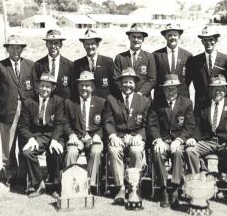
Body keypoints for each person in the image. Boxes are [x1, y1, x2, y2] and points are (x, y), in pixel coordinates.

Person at [185, 74, 227, 208]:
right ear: (210, 90)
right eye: (214, 88)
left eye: (221, 88)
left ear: (226, 90)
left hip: (225, 143)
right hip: (207, 141)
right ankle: (196, 188)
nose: (218, 91)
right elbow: (197, 126)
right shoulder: (202, 105)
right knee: (190, 150)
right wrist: (194, 138)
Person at [0, 34, 34, 187]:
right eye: (12, 47)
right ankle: (10, 174)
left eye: (19, 47)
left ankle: (23, 175)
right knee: (8, 146)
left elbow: (33, 88)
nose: (16, 50)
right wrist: (3, 105)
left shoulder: (30, 65)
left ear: (22, 49)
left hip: (26, 111)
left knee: (24, 143)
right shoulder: (0, 66)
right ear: (7, 49)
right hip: (7, 112)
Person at [104, 67, 150, 205]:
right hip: (118, 136)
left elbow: (147, 124)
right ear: (120, 83)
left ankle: (133, 187)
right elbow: (108, 121)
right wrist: (112, 136)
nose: (127, 85)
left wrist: (139, 136)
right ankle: (120, 188)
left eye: (130, 82)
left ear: (135, 84)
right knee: (113, 150)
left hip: (136, 137)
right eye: (124, 82)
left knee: (136, 150)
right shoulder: (111, 99)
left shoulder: (144, 101)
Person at [148, 74, 195, 208]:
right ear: (163, 90)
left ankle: (175, 188)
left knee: (178, 152)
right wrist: (158, 140)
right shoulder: (156, 103)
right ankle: (163, 189)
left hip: (177, 141)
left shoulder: (186, 103)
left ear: (178, 89)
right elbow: (152, 124)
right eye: (168, 89)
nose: (171, 92)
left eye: (173, 89)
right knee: (157, 152)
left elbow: (189, 126)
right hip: (162, 140)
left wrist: (179, 140)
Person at [18, 72, 65, 198]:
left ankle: (55, 186)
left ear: (53, 88)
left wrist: (55, 139)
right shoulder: (29, 102)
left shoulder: (58, 102)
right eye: (42, 85)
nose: (45, 89)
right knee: (28, 152)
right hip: (37, 136)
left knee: (56, 151)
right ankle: (39, 184)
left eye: (48, 87)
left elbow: (60, 124)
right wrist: (31, 139)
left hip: (53, 135)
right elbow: (22, 125)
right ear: (38, 86)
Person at [63, 71, 106, 190]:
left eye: (87, 85)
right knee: (71, 152)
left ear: (92, 87)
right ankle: (69, 186)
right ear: (77, 86)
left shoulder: (101, 103)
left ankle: (91, 186)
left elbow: (105, 124)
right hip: (77, 138)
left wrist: (98, 135)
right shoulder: (69, 102)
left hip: (93, 138)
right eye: (81, 85)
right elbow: (65, 122)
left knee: (96, 151)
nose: (84, 88)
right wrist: (71, 135)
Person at [186, 25, 227, 109]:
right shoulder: (195, 60)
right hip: (201, 105)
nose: (208, 42)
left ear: (216, 40)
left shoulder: (226, 59)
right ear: (202, 42)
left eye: (211, 39)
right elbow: (187, 83)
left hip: (220, 103)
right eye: (205, 40)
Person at [114, 23, 156, 98]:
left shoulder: (149, 57)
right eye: (133, 37)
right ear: (129, 38)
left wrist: (140, 94)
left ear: (143, 39)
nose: (136, 40)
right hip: (124, 98)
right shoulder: (120, 57)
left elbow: (152, 80)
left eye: (139, 37)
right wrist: (126, 93)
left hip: (143, 99)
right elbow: (116, 79)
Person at [153, 23, 192, 102]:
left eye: (175, 35)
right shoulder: (156, 55)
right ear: (165, 36)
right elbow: (154, 77)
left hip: (182, 96)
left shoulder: (188, 56)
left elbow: (189, 78)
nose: (172, 37)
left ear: (179, 36)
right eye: (170, 35)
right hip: (161, 96)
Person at [31, 29, 74, 100]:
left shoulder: (70, 65)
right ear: (46, 44)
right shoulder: (38, 64)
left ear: (61, 45)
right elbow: (35, 86)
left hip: (64, 105)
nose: (53, 46)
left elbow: (72, 88)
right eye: (51, 43)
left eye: (56, 43)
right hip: (46, 105)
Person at [74, 29, 115, 99]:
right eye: (87, 44)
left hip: (104, 104)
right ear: (84, 45)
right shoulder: (78, 64)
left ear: (97, 44)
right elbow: (75, 88)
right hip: (85, 103)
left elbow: (113, 86)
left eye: (92, 43)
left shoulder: (108, 62)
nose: (90, 47)